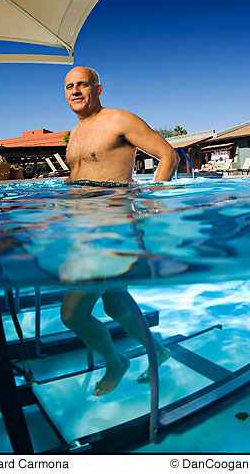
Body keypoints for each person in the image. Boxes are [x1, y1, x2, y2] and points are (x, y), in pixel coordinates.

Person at [60, 66, 180, 396]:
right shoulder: (75, 132)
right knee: (115, 306)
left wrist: (150, 204)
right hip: (85, 231)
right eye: (69, 86)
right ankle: (160, 352)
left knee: (72, 315)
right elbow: (81, 177)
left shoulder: (119, 121)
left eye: (82, 84)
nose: (75, 91)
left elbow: (168, 155)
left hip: (112, 231)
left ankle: (116, 362)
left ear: (98, 89)